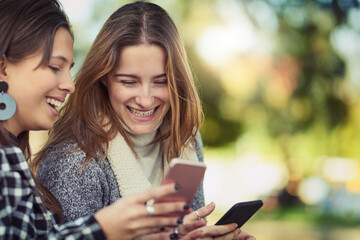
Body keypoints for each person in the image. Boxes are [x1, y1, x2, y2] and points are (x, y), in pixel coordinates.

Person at [33, 1, 256, 239]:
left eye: (160, 81)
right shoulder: (74, 161)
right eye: (128, 82)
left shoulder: (186, 141)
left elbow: (191, 230)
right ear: (103, 78)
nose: (146, 100)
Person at [0, 0, 200, 239]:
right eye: (55, 67)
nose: (70, 85)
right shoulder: (71, 161)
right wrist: (104, 229)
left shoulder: (12, 156)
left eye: (160, 81)